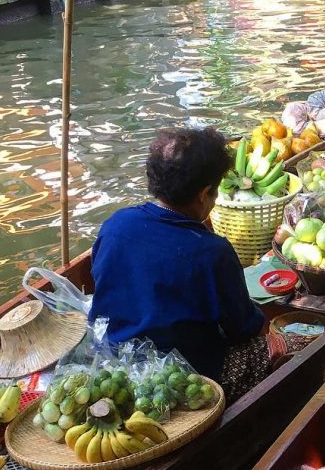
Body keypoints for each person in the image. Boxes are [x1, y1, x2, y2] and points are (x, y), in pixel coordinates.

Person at [91, 127, 278, 403]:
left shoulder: (115, 225)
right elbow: (244, 328)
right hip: (185, 382)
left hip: (116, 369)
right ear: (204, 195)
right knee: (287, 345)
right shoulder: (212, 252)